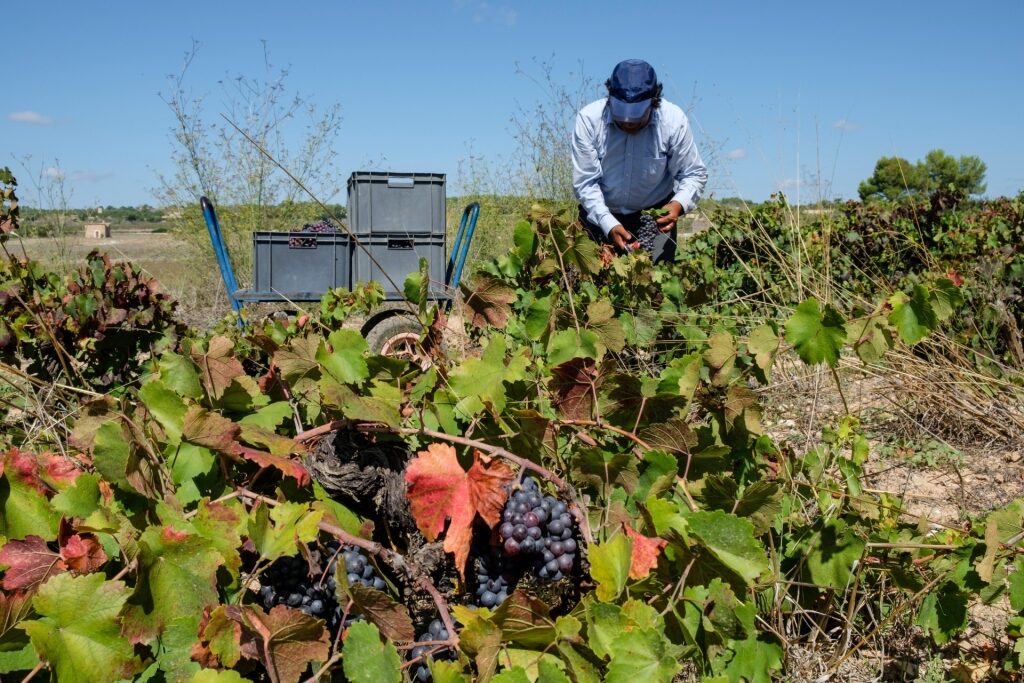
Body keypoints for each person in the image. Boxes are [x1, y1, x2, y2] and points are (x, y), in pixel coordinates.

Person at [572, 59, 707, 263]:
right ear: (610, 98)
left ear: (654, 102)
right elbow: (586, 183)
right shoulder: (589, 120)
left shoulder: (673, 121)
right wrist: (608, 224)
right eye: (621, 114)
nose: (628, 122)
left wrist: (677, 205)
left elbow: (693, 174)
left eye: (636, 116)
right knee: (595, 288)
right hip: (598, 216)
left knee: (655, 288)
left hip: (655, 219)